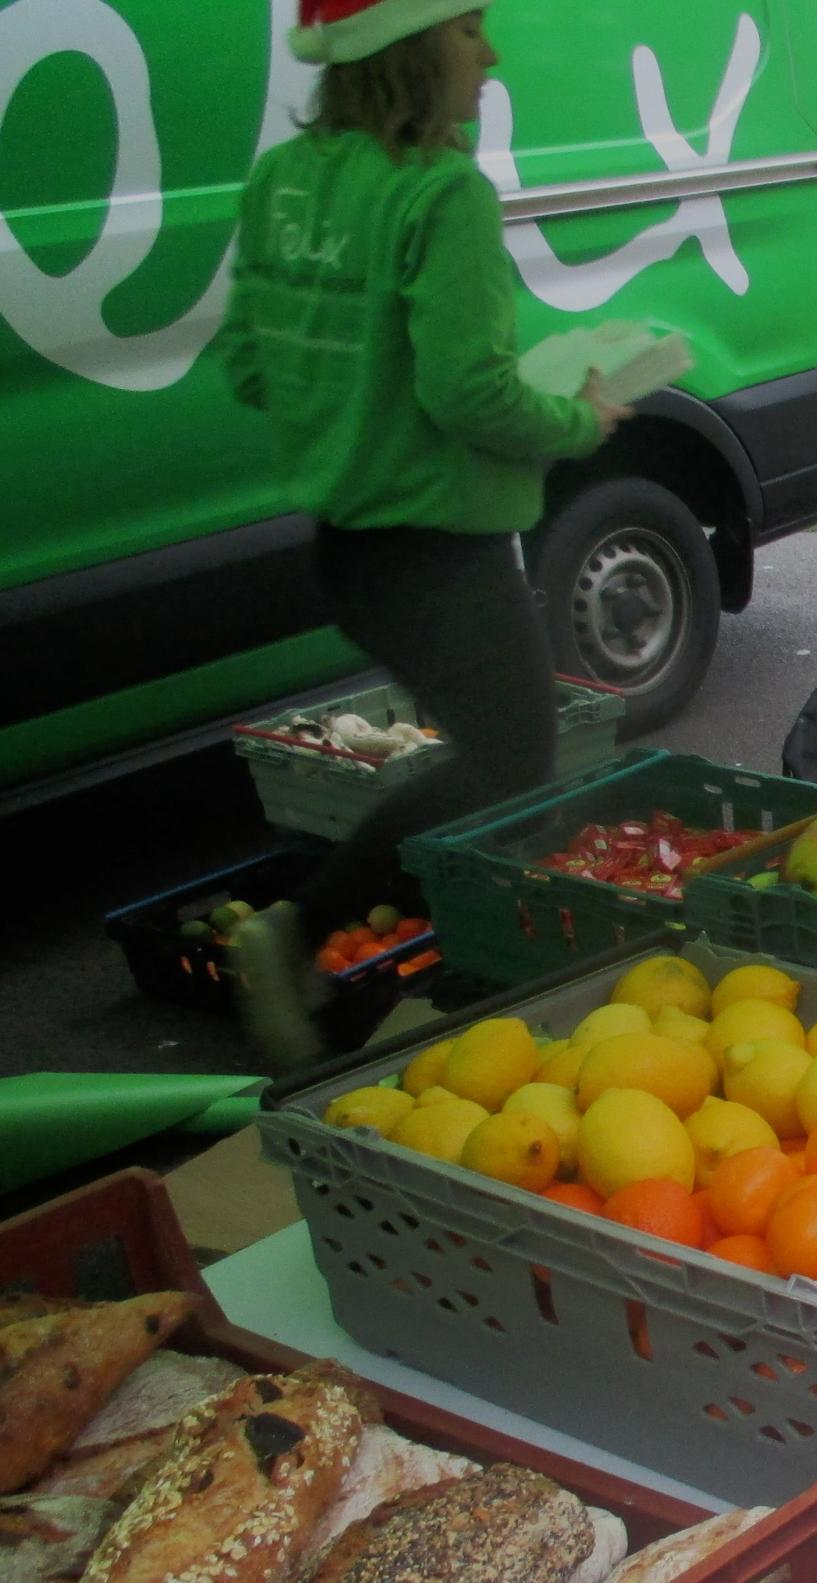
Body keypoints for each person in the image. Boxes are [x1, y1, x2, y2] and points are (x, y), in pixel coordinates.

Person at [219, 0, 627, 1066]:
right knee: (516, 771)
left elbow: (251, 365)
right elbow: (470, 394)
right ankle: (309, 942)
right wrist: (578, 417)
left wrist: (354, 400)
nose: (489, 55)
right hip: (436, 554)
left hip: (349, 556)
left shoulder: (281, 180)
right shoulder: (442, 192)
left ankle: (377, 981)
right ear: (404, 50)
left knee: (491, 768)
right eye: (467, 30)